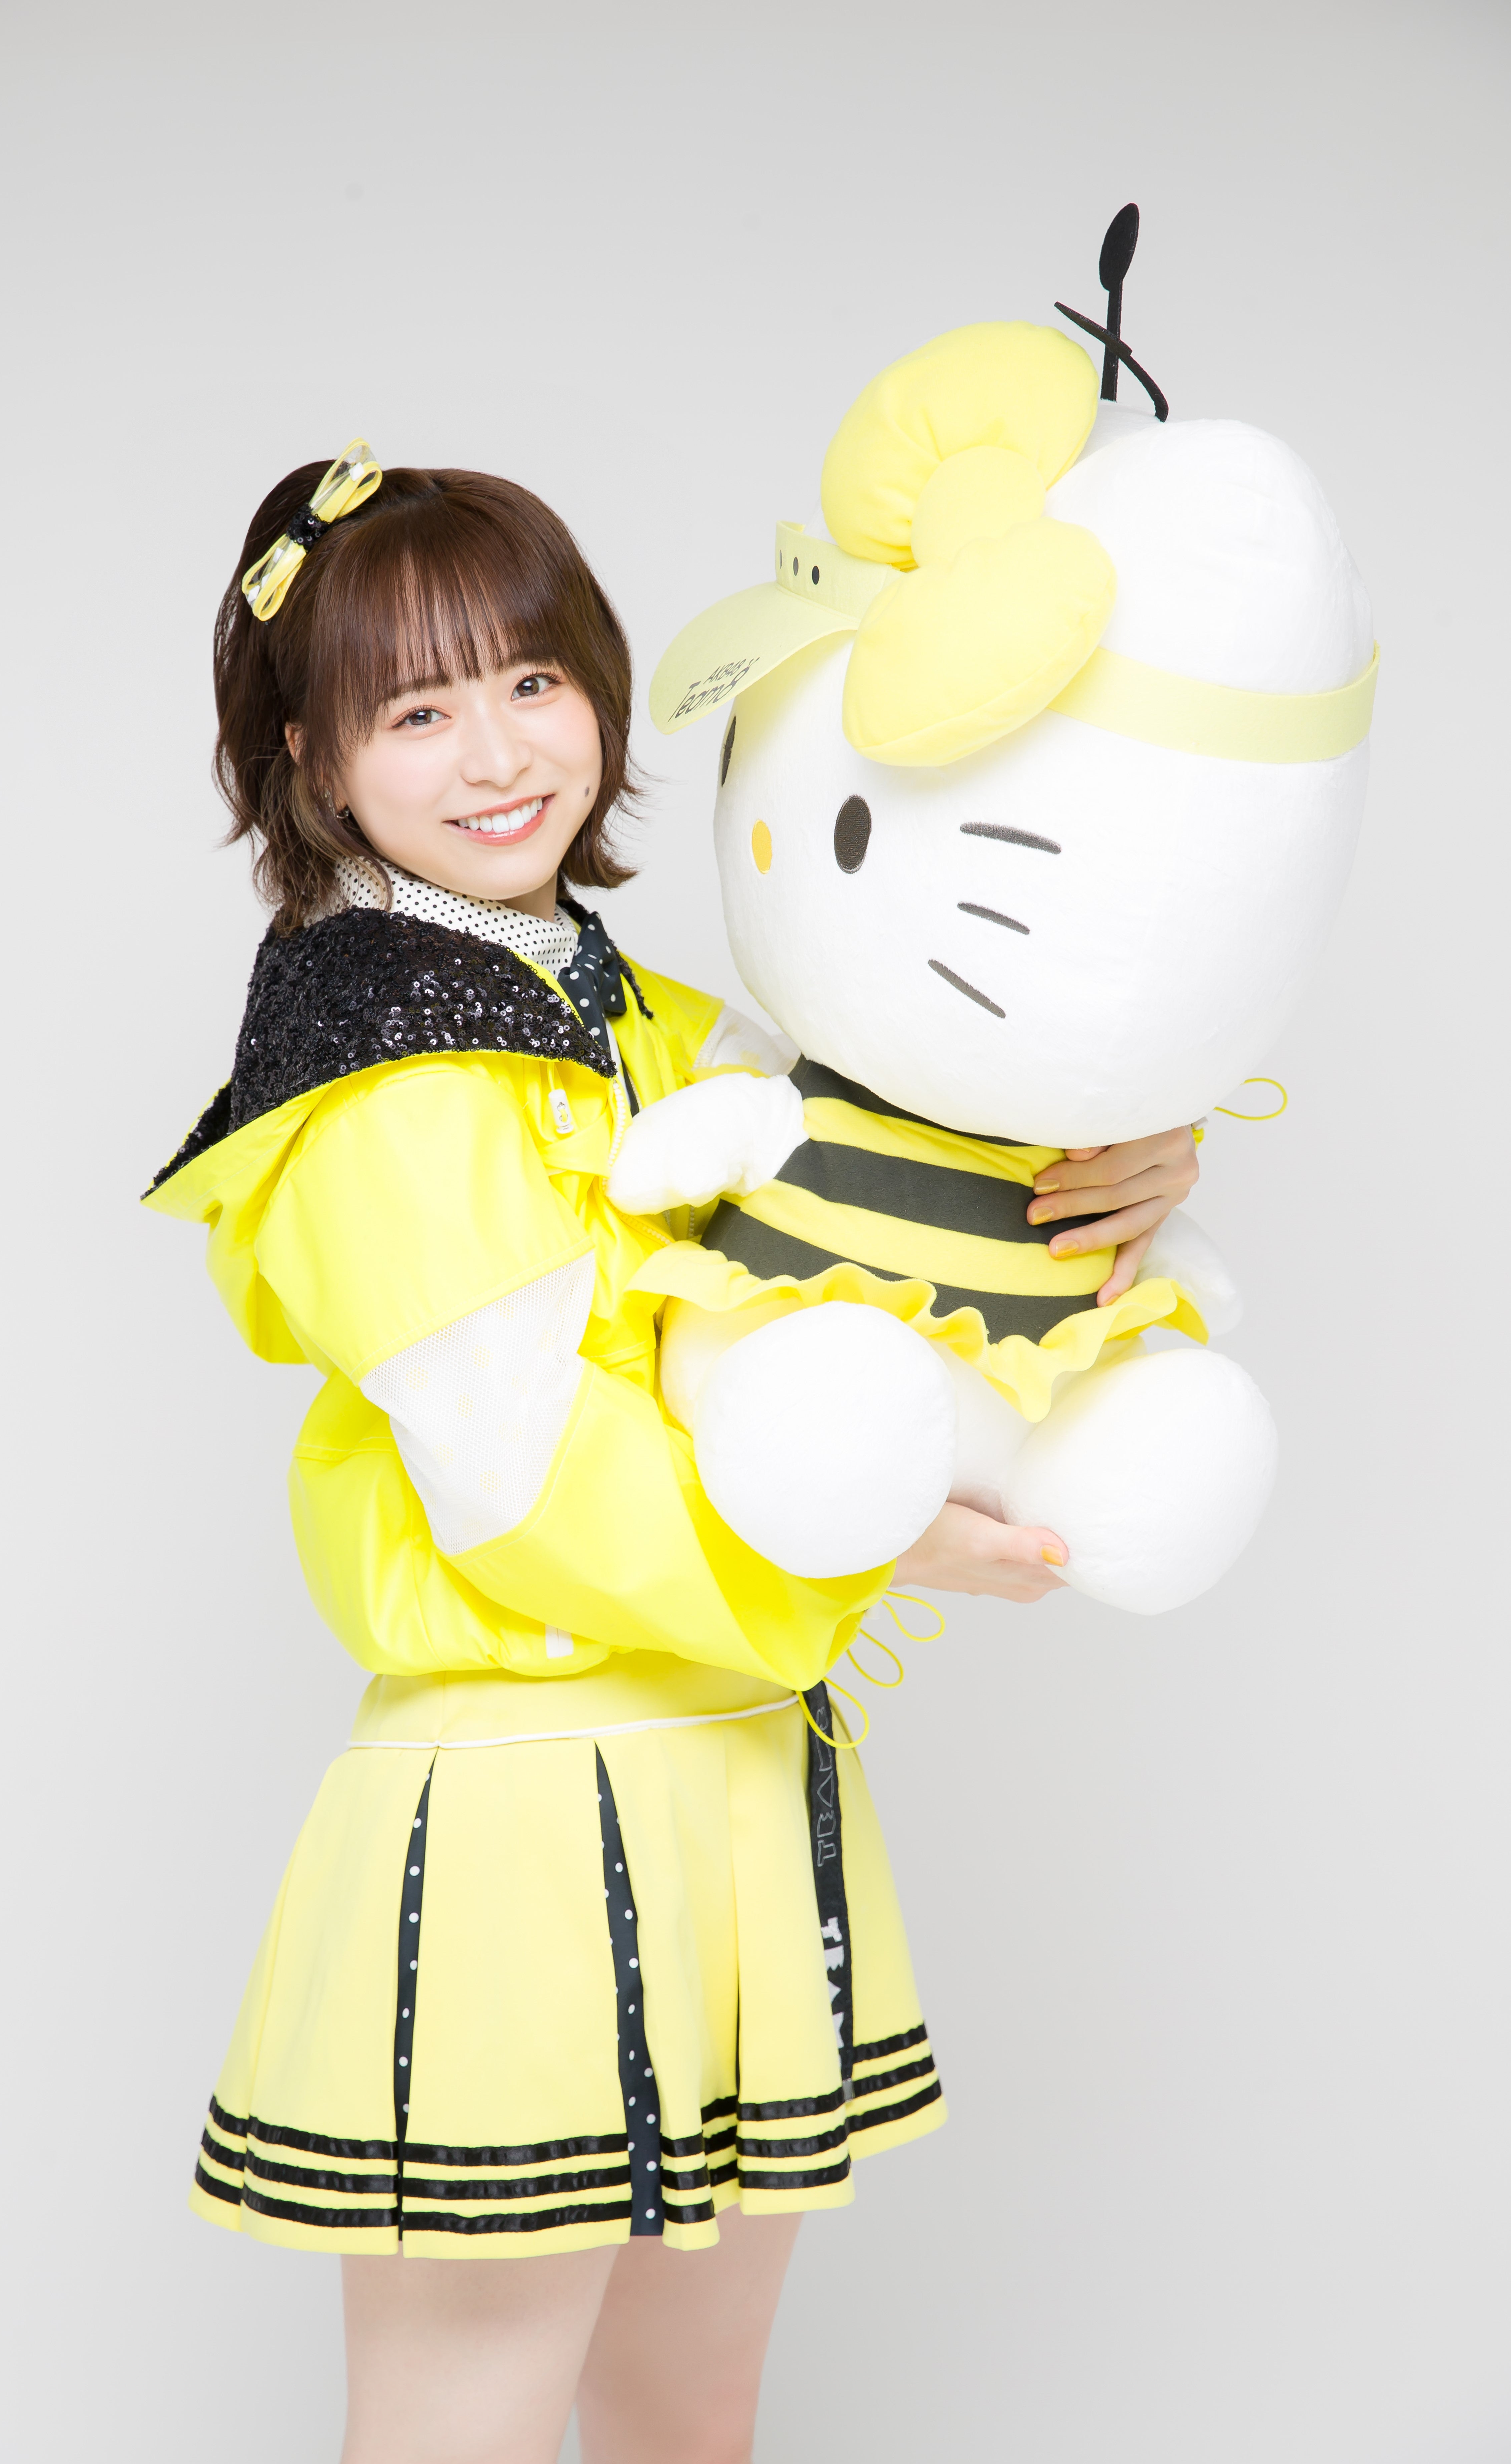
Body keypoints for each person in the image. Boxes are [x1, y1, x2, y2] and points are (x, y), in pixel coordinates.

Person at [145, 440, 1199, 2464]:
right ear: (307, 759)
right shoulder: (377, 1072)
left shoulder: (642, 1017)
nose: (496, 754)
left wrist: (1130, 1163)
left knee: (685, 2418)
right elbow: (524, 1483)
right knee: (459, 2424)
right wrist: (881, 1541)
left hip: (733, 1770)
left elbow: (908, 1176)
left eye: (532, 680)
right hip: (527, 1811)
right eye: (414, 710)